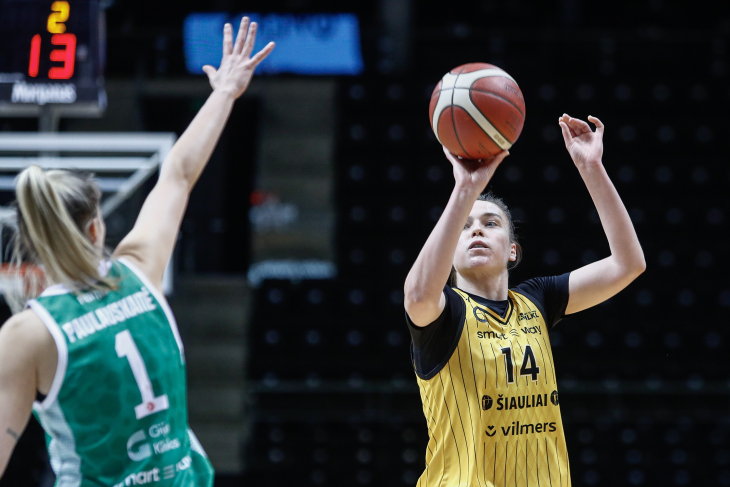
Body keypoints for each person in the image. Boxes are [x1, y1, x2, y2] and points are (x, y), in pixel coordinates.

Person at [0, 18, 274, 486]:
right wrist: (225, 92)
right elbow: (179, 174)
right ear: (96, 227)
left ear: (32, 242)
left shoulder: (28, 335)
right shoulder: (140, 270)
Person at [403, 115, 646, 487]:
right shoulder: (445, 314)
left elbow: (628, 264)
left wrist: (591, 168)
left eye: (491, 223)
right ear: (448, 251)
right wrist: (465, 189)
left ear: (512, 250)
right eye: (465, 226)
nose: (477, 229)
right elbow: (418, 295)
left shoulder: (537, 299)